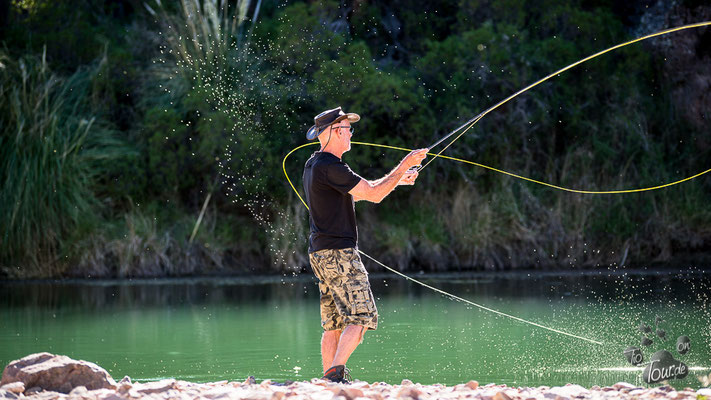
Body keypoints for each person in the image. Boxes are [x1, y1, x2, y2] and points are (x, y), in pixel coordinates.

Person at [302, 106, 428, 383]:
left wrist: (396, 181)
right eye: (348, 130)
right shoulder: (331, 166)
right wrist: (405, 164)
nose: (351, 135)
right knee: (361, 317)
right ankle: (336, 376)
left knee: (333, 324)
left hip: (320, 254)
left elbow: (354, 196)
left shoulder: (314, 165)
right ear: (335, 132)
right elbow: (374, 194)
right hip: (339, 254)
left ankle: (327, 380)